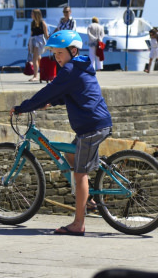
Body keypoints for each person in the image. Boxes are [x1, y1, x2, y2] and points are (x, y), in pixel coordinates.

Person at [11, 30, 112, 236]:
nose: (57, 58)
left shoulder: (69, 70)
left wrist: (24, 107)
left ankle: (78, 224)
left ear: (73, 50)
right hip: (95, 123)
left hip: (91, 127)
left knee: (80, 173)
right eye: (54, 54)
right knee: (71, 154)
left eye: (60, 53)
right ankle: (89, 200)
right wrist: (51, 102)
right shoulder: (80, 66)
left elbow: (49, 90)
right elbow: (71, 92)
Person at [27, 9, 49, 82]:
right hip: (33, 41)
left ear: (36, 15)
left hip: (39, 42)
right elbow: (32, 33)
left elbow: (46, 35)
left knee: (34, 58)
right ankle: (43, 74)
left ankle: (35, 76)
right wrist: (28, 44)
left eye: (32, 14)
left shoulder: (42, 23)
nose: (31, 15)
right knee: (39, 59)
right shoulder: (32, 23)